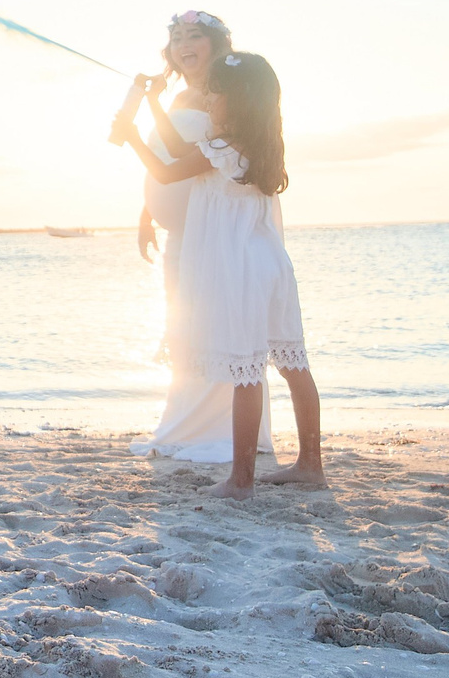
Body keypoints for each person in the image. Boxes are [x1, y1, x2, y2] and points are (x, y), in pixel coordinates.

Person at [111, 49, 322, 496]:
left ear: (240, 99)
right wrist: (152, 105)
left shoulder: (224, 148)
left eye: (216, 95)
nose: (207, 102)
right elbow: (177, 145)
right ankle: (310, 465)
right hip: (270, 264)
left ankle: (241, 480)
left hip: (239, 267)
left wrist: (131, 136)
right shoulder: (253, 143)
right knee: (293, 365)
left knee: (246, 373)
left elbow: (167, 171)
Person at [127, 11, 272, 465]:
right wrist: (148, 211)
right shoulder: (180, 96)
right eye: (175, 38)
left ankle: (222, 430)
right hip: (180, 230)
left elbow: (194, 158)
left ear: (216, 43)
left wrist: (135, 124)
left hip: (215, 228)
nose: (183, 45)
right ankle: (185, 425)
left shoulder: (227, 93)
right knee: (183, 326)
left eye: (194, 36)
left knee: (219, 324)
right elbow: (170, 153)